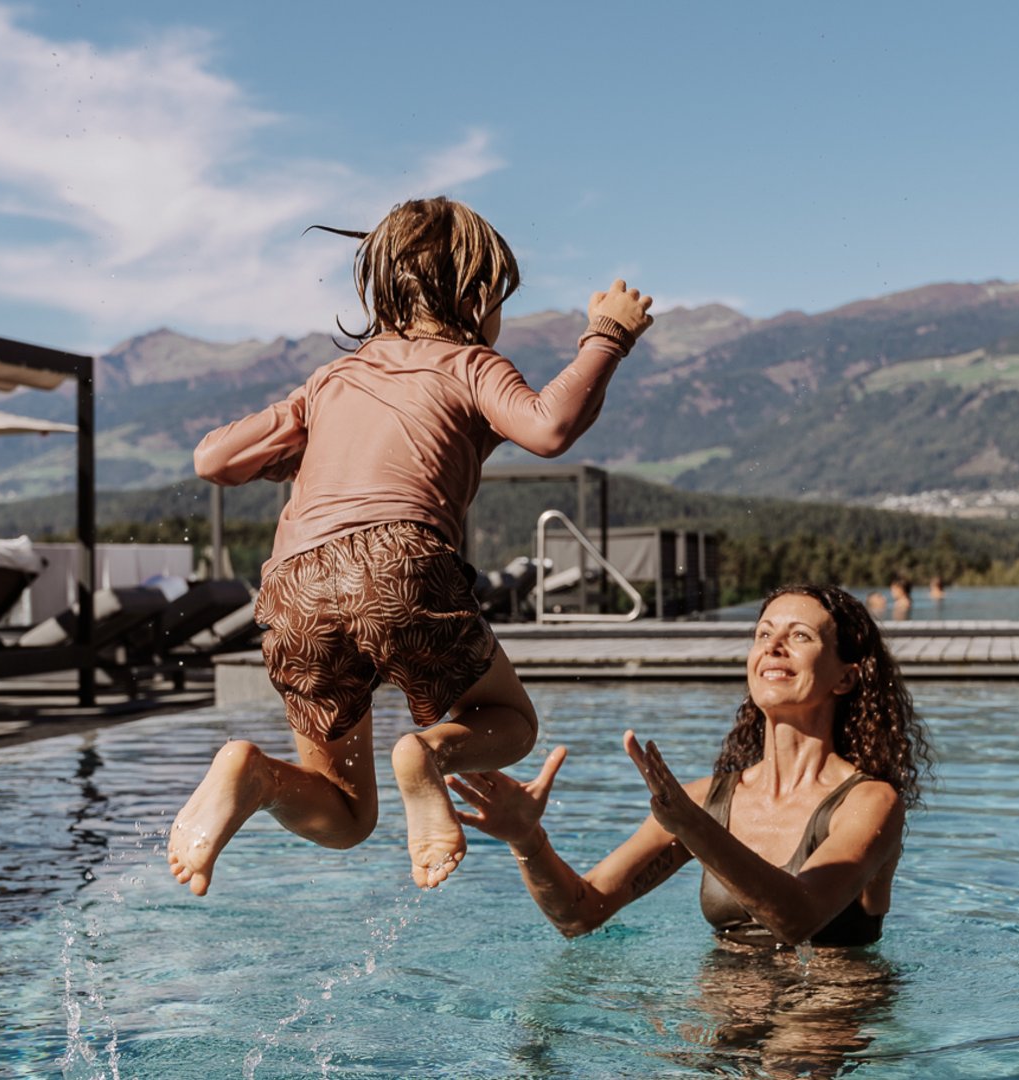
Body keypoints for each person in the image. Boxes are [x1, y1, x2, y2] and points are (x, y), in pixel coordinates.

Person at [169, 196, 654, 895]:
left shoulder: (330, 380)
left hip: (292, 587)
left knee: (344, 815)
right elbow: (549, 428)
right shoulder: (469, 363)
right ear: (476, 293)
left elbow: (213, 462)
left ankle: (252, 774)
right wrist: (607, 336)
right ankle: (424, 757)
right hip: (399, 564)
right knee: (510, 723)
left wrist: (291, 449)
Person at [447, 584, 930, 948]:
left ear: (845, 678)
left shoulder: (870, 802)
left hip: (824, 1018)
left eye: (799, 636)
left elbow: (798, 918)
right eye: (763, 634)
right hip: (719, 1014)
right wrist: (528, 840)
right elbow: (580, 913)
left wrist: (694, 829)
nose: (772, 647)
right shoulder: (704, 802)